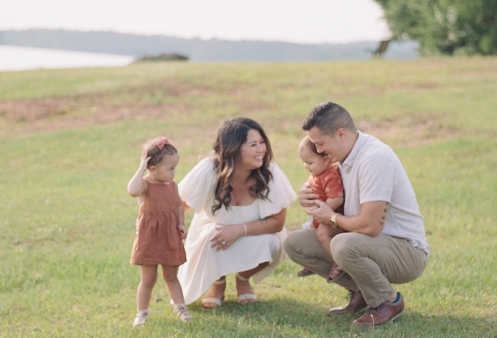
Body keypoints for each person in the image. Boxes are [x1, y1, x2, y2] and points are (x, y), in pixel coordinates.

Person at [284, 102, 429, 327]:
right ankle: (362, 291)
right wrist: (308, 197)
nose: (319, 151)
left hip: (406, 251)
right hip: (367, 242)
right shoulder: (340, 158)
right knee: (294, 243)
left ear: (341, 134)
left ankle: (387, 301)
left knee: (343, 245)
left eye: (321, 144)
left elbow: (371, 227)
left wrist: (330, 218)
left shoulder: (374, 159)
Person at [177, 117, 297, 308]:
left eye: (262, 143)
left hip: (254, 232)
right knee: (212, 237)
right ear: (233, 148)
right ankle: (217, 282)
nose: (261, 150)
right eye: (252, 145)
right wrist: (171, 228)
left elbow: (277, 223)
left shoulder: (270, 172)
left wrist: (239, 230)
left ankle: (243, 278)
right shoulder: (209, 170)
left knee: (273, 243)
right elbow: (179, 206)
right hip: (214, 232)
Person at [127, 137, 191, 326]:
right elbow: (132, 190)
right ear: (152, 168)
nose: (174, 172)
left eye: (175, 168)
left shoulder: (172, 185)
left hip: (169, 234)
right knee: (148, 278)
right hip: (149, 237)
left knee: (171, 275)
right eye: (170, 168)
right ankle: (142, 313)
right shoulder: (145, 184)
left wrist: (181, 224)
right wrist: (141, 169)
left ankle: (181, 307)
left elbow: (178, 206)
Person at [296, 136, 344, 280]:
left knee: (322, 235)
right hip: (320, 217)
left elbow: (337, 198)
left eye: (310, 162)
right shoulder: (317, 173)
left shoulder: (331, 175)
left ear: (325, 160)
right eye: (304, 162)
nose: (306, 166)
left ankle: (338, 262)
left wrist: (323, 210)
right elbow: (310, 185)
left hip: (334, 217)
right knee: (308, 238)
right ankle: (315, 264)